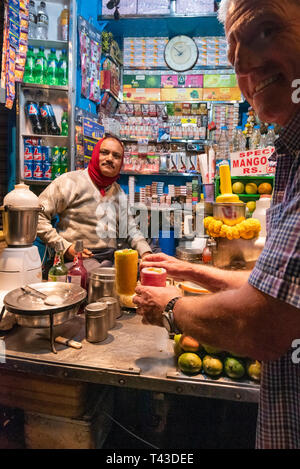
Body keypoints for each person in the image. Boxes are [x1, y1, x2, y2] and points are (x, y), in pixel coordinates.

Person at [133, 0, 300, 449]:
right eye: (232, 54)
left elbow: (264, 325)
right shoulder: (292, 159)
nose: (244, 62)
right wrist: (193, 272)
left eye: (266, 31)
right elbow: (279, 292)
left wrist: (171, 308)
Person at [37, 135, 152, 269]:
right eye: (104, 152)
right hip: (74, 260)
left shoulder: (118, 192)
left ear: (121, 163)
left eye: (116, 156)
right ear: (96, 154)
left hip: (108, 259)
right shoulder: (70, 181)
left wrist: (146, 253)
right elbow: (38, 216)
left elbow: (131, 229)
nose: (109, 159)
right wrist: (65, 247)